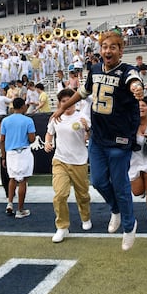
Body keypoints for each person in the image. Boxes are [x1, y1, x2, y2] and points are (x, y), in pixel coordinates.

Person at [51, 31, 144, 251]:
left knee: (121, 186)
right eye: (104, 46)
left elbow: (133, 81)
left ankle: (129, 226)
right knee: (99, 182)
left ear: (121, 50)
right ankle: (116, 210)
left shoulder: (127, 70)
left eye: (113, 47)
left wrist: (136, 88)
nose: (107, 50)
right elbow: (82, 93)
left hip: (120, 139)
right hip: (98, 138)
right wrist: (64, 106)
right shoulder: (94, 70)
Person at [44, 89, 92, 242]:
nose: (67, 104)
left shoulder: (82, 116)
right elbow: (49, 133)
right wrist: (47, 142)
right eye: (63, 101)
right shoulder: (55, 118)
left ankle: (85, 217)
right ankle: (62, 227)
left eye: (70, 100)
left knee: (82, 194)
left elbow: (89, 135)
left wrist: (87, 129)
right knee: (60, 195)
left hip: (79, 161)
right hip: (60, 160)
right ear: (59, 103)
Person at [0, 98, 36, 219]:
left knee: (12, 178)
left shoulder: (5, 120)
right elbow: (31, 139)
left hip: (10, 153)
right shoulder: (28, 120)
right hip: (23, 151)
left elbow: (2, 140)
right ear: (22, 107)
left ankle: (9, 203)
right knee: (23, 181)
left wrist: (3, 156)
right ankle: (20, 210)